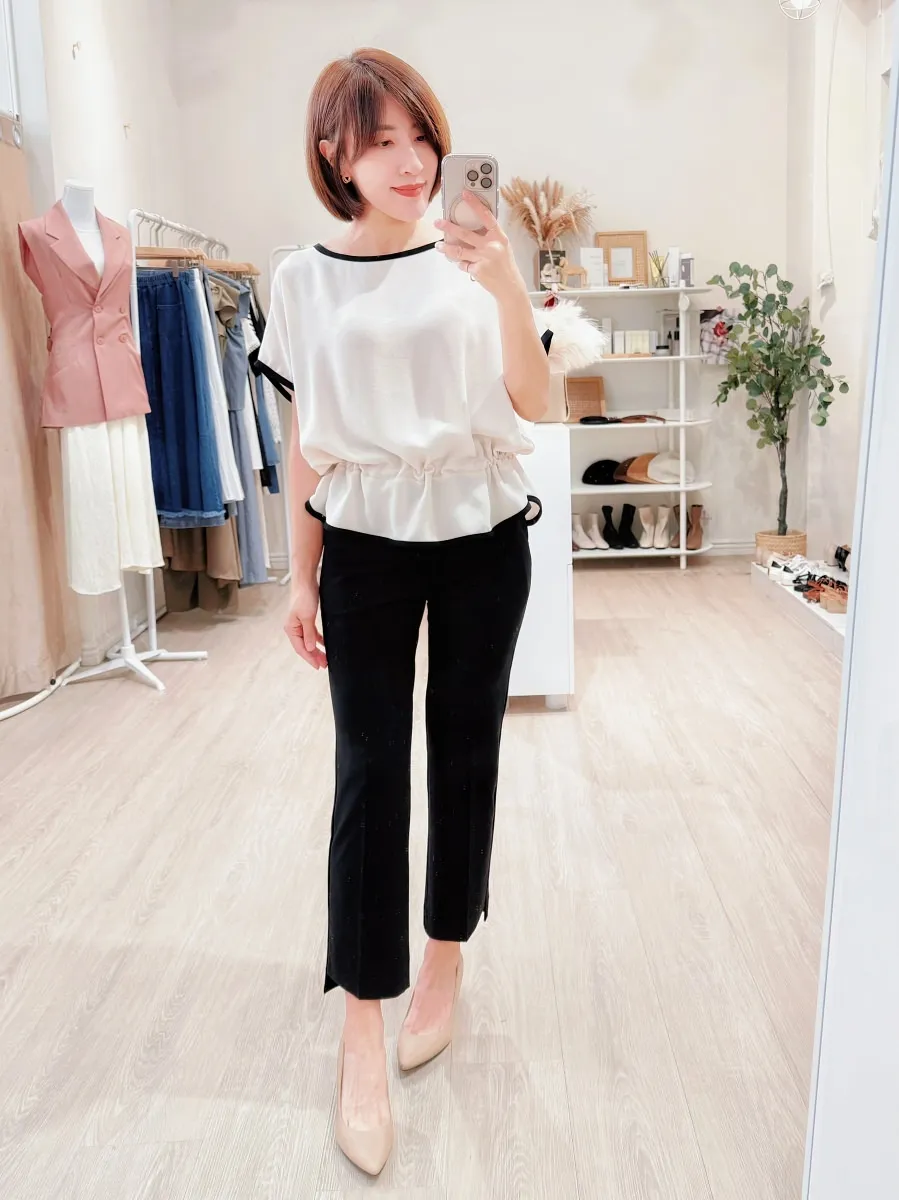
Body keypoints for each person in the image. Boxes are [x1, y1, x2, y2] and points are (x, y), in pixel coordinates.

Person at [257, 46, 549, 1176]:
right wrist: (299, 576)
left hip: (483, 532)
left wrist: (506, 280)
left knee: (464, 753)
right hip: (366, 543)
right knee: (368, 774)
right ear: (333, 153)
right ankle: (361, 1027)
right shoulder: (301, 279)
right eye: (380, 140)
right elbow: (304, 438)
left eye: (420, 135)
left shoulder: (475, 253)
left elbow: (534, 401)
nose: (410, 160)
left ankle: (446, 960)